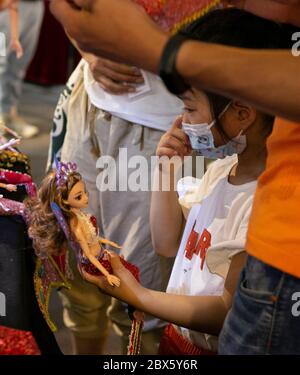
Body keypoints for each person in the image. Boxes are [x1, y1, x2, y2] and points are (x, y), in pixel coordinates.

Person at [51, 0, 300, 355]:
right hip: (177, 339)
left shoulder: (257, 201)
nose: (182, 121)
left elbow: (224, 313)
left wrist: (142, 297)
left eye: (188, 107)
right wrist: (166, 171)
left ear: (242, 113)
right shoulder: (219, 171)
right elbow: (167, 244)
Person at [48, 49, 183, 354]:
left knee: (141, 302)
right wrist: (88, 52)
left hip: (161, 124)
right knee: (78, 274)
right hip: (88, 98)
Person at [0, 0, 44, 138]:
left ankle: (8, 115)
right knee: (1, 62)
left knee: (18, 64)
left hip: (35, 4)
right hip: (9, 5)